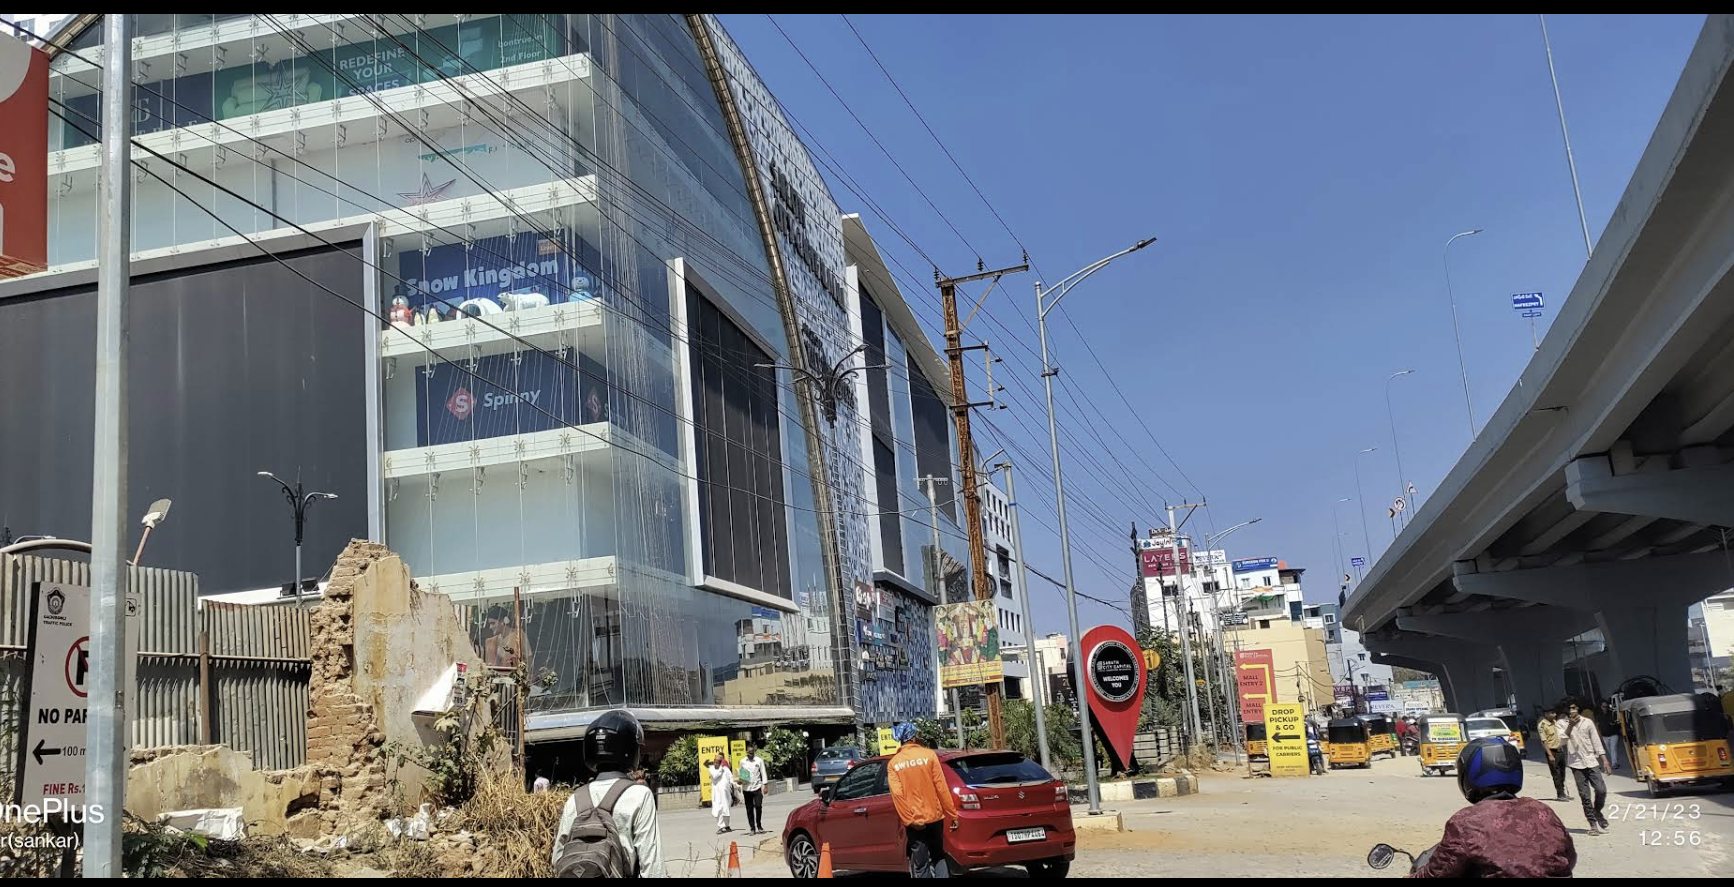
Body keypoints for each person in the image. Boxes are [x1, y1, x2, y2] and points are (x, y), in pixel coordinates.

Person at [1411, 737, 1576, 877]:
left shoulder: (1466, 822)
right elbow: (1570, 857)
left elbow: (1437, 873)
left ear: (1468, 773)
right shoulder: (1543, 810)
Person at [551, 710, 664, 878]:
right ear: (630, 749)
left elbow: (557, 860)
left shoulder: (575, 798)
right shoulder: (640, 795)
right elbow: (652, 866)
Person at [886, 722, 961, 878]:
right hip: (934, 816)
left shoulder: (894, 763)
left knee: (921, 865)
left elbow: (897, 795)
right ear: (913, 737)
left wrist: (910, 820)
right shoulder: (929, 755)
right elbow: (941, 787)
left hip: (915, 821)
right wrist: (952, 814)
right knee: (938, 856)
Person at [1564, 700, 1612, 835]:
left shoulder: (1588, 722)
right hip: (1576, 764)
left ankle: (1597, 811)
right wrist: (1570, 727)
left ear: (1577, 709)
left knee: (1601, 790)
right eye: (1569, 709)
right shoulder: (1562, 724)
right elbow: (1562, 740)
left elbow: (1596, 741)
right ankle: (1593, 825)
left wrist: (1605, 760)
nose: (1571, 710)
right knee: (1585, 796)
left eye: (1573, 708)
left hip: (1591, 761)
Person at [1537, 705, 1572, 802]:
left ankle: (1563, 792)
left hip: (1560, 750)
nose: (1555, 715)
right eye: (1552, 713)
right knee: (1556, 774)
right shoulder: (1542, 725)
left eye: (1555, 713)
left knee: (1562, 773)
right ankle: (1560, 794)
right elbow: (1544, 741)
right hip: (1552, 752)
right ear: (1546, 714)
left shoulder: (1554, 722)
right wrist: (1550, 755)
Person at [484, 605, 531, 669]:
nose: (490, 627)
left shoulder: (519, 636)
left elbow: (529, 659)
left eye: (493, 623)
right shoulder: (493, 641)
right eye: (489, 624)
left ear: (503, 621)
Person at [739, 744, 769, 836]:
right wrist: (739, 782)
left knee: (758, 806)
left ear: (754, 752)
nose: (750, 754)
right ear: (746, 752)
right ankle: (752, 828)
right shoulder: (742, 761)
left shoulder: (759, 761)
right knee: (749, 809)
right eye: (749, 752)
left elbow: (763, 772)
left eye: (752, 752)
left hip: (757, 787)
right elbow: (740, 774)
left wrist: (765, 785)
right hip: (746, 788)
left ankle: (759, 826)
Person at [707, 753, 737, 834]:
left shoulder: (726, 769)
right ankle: (721, 826)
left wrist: (737, 784)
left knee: (726, 809)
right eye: (715, 762)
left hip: (726, 793)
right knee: (719, 809)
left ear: (721, 762)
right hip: (717, 794)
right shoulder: (712, 769)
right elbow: (716, 775)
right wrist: (721, 768)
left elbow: (731, 779)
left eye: (718, 762)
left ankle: (727, 826)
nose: (716, 764)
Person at [1596, 700, 1622, 771]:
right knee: (1609, 750)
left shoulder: (1612, 714)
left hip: (1613, 734)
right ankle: (1615, 760)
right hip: (1605, 736)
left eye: (1606, 706)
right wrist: (1599, 736)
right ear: (1601, 707)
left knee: (1613, 749)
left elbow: (1618, 722)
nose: (1605, 708)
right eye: (1604, 707)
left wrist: (1614, 724)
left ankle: (1614, 763)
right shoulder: (1599, 716)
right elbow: (1598, 726)